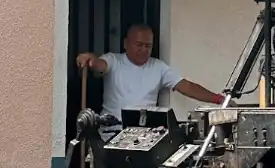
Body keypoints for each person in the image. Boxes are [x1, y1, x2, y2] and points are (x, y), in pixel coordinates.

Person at [75, 23, 227, 141]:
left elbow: (186, 86)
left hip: (144, 136)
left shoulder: (158, 67)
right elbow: (99, 65)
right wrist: (89, 58)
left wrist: (220, 99)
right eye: (139, 45)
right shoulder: (113, 60)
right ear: (126, 43)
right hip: (111, 132)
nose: (144, 50)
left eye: (148, 46)